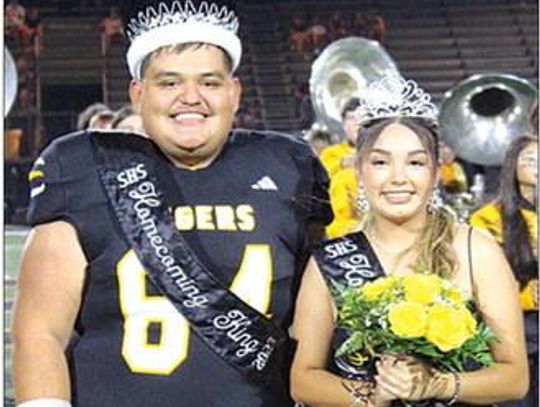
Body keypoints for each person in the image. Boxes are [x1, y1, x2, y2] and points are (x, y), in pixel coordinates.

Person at [11, 1, 332, 407]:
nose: (191, 98)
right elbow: (40, 330)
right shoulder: (86, 167)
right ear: (138, 93)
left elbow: (320, 324)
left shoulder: (288, 166)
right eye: (169, 83)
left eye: (210, 83)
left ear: (234, 93)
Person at [290, 75, 528, 406]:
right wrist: (374, 396)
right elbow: (303, 379)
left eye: (415, 162)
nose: (398, 178)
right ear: (359, 171)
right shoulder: (330, 260)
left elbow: (515, 378)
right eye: (381, 162)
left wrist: (437, 384)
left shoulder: (476, 249)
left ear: (434, 173)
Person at [470, 135, 538, 407]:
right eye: (531, 160)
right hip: (516, 327)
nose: (538, 167)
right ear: (513, 167)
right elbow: (485, 280)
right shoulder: (488, 217)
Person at [320, 98, 361, 238]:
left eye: (362, 118)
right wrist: (342, 163)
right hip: (340, 231)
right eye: (351, 118)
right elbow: (323, 177)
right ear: (343, 124)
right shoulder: (332, 154)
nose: (357, 124)